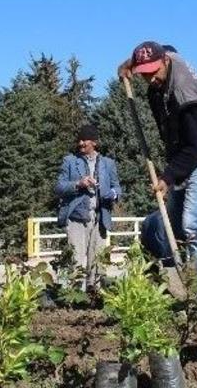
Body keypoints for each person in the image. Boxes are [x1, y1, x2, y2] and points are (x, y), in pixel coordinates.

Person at [120, 41, 197, 286]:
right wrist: (125, 66)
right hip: (183, 155)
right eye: (143, 74)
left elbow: (194, 145)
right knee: (172, 224)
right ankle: (183, 281)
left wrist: (167, 178)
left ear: (165, 61)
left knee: (193, 223)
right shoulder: (163, 63)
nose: (151, 79)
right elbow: (158, 50)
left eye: (153, 72)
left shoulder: (184, 91)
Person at [55, 124, 121, 289]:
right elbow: (59, 187)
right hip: (77, 217)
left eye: (85, 140)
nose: (81, 143)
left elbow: (117, 187)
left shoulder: (108, 163)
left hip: (100, 217)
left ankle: (95, 294)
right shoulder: (70, 161)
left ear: (95, 142)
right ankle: (75, 295)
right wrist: (79, 183)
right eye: (79, 140)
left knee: (98, 260)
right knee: (76, 258)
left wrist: (112, 194)